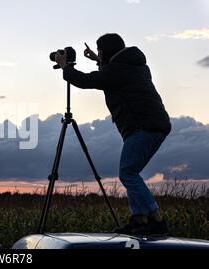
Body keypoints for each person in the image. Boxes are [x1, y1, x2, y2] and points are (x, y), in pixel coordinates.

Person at [54, 33, 171, 236]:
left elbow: (86, 80)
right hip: (152, 125)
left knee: (128, 173)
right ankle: (139, 220)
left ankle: (156, 219)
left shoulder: (118, 71)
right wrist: (99, 60)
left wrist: (66, 67)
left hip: (142, 127)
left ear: (107, 51)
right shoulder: (134, 65)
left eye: (100, 50)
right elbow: (112, 74)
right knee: (131, 172)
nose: (98, 53)